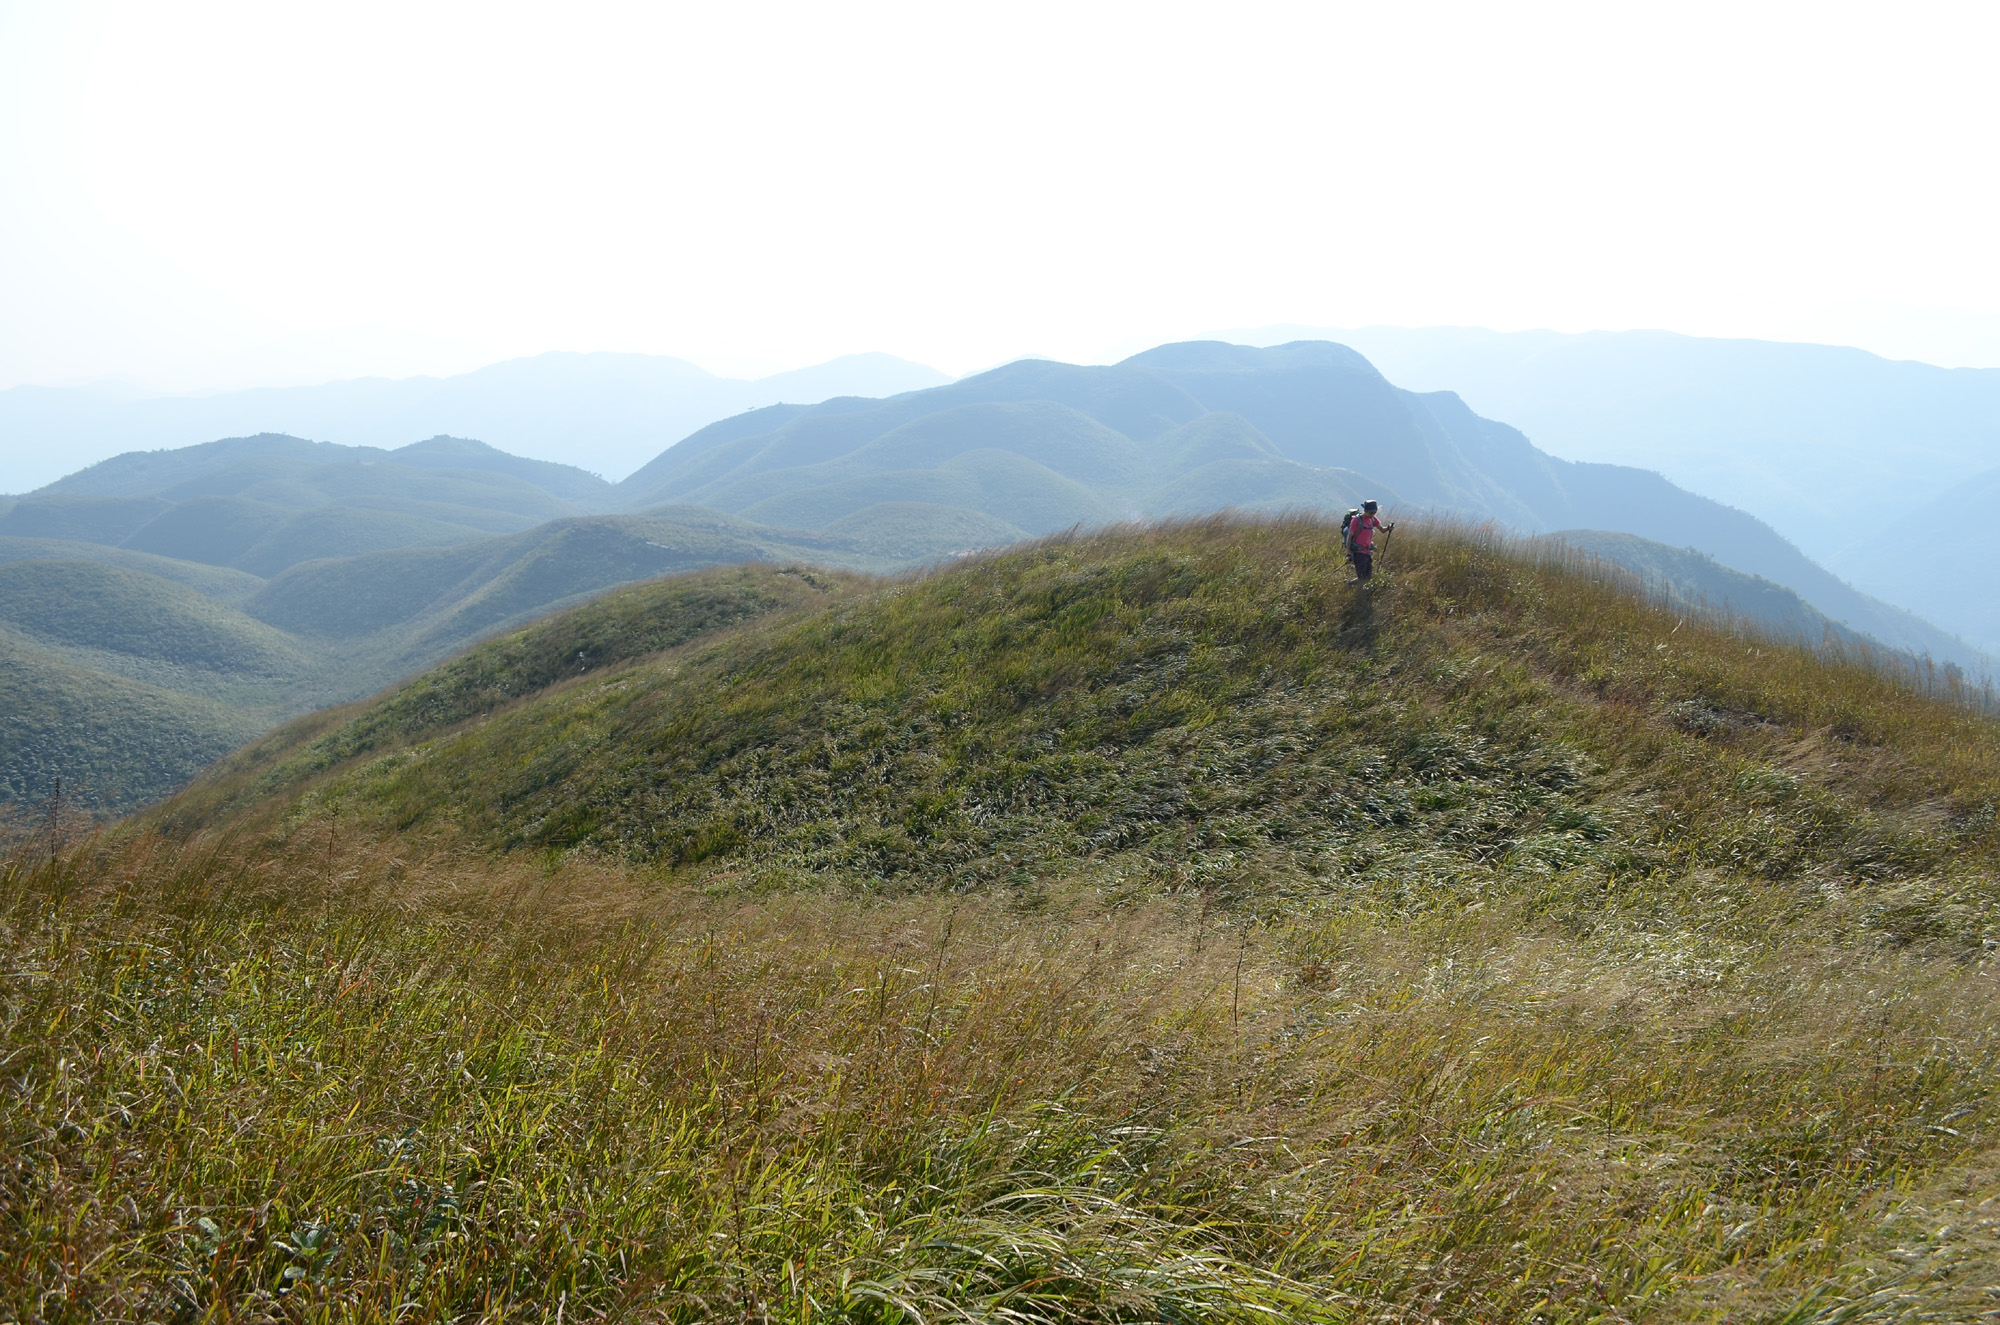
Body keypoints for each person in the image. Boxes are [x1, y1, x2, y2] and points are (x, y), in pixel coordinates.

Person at [1348, 499, 1393, 582]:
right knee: (1362, 578)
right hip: (1358, 552)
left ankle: (1349, 584)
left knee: (1367, 577)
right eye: (1371, 513)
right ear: (1365, 510)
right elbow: (1349, 537)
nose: (1372, 514)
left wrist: (1388, 528)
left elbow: (1382, 530)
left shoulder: (1373, 519)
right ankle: (1359, 593)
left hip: (1367, 552)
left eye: (1374, 513)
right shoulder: (1356, 520)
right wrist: (1348, 554)